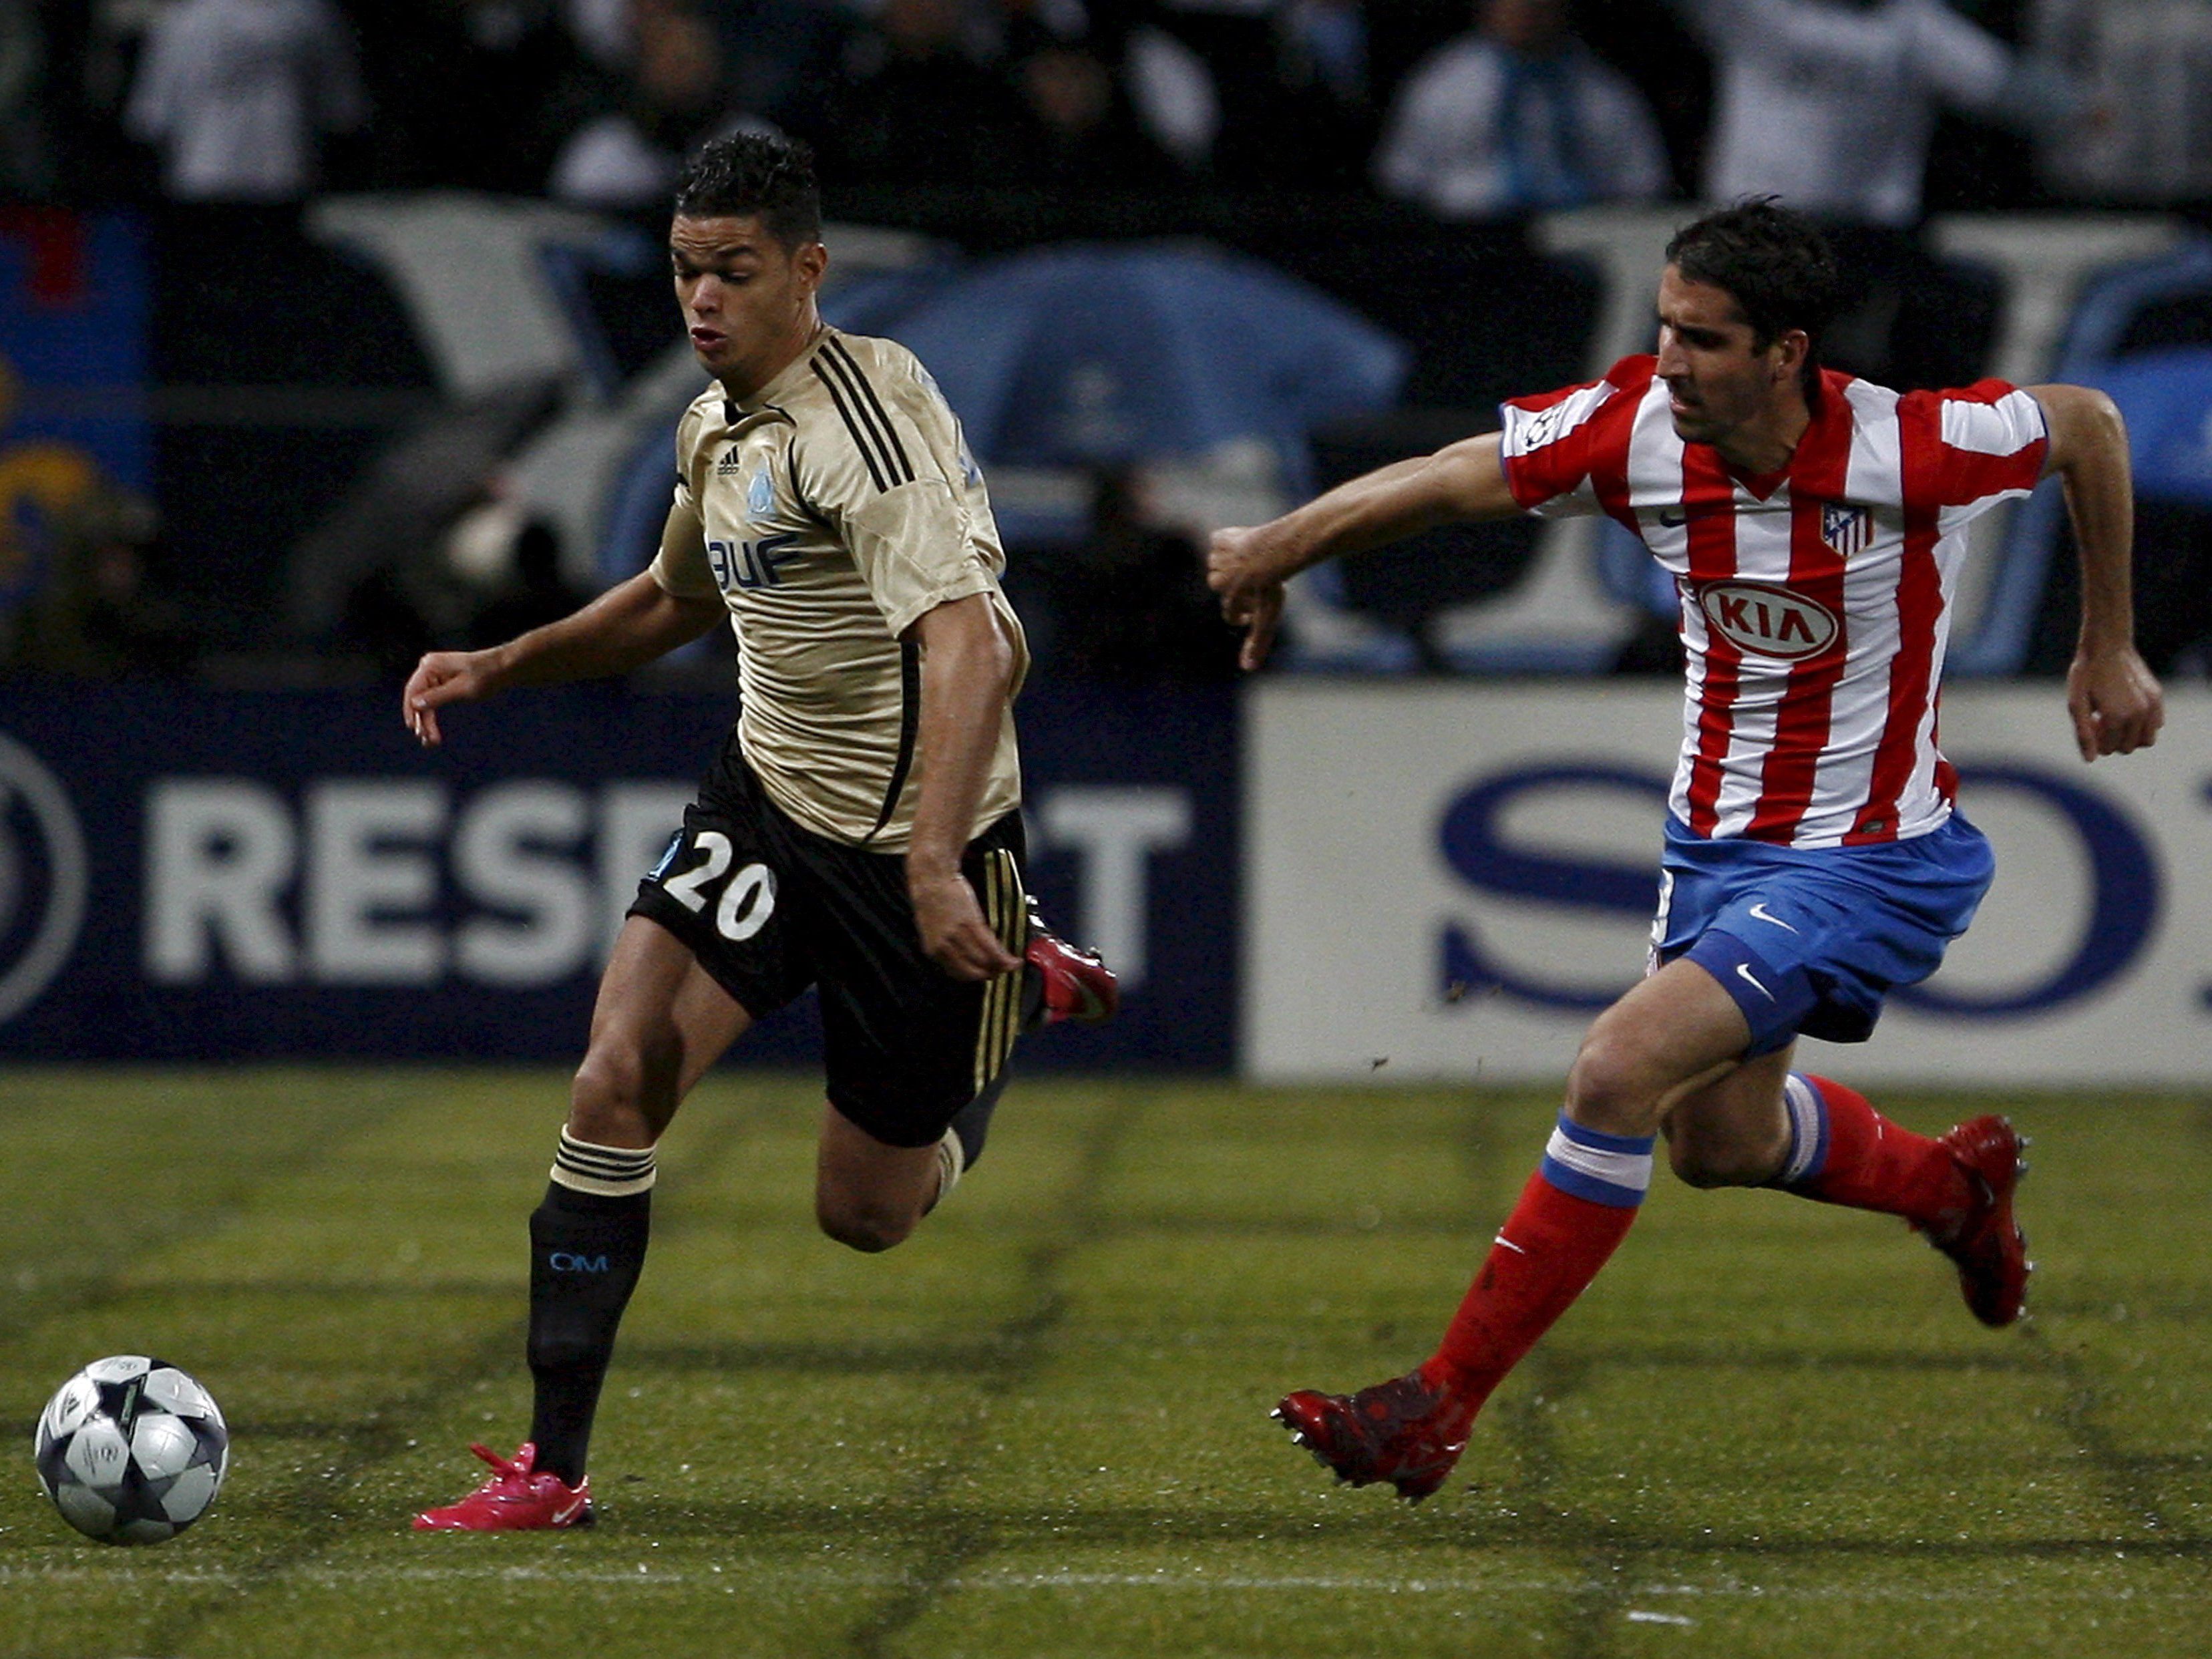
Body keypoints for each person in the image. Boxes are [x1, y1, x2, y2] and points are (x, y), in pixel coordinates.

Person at [1207, 198, 2163, 1503]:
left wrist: (2104, 641)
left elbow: (2091, 430)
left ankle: (1432, 1409)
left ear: (1788, 354)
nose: (1671, 362)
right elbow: (1449, 479)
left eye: (1705, 340)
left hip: (1868, 854)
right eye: (1664, 329)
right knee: (1719, 1142)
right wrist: (1276, 545)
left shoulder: (1904, 444)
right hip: (1715, 849)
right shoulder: (1639, 433)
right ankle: (1950, 1189)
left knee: (1615, 1067)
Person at [403, 132, 1118, 1531]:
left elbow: (971, 644)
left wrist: (929, 864)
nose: (702, 300)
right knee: (613, 1083)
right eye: (684, 271)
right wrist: (501, 664)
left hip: (919, 846)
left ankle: (1014, 981)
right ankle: (554, 1470)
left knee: (865, 1216)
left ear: (810, 272)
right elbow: (676, 600)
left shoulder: (865, 428)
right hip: (766, 806)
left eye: (733, 271)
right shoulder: (715, 424)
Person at [1374, 0, 1669, 220]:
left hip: (1579, 241)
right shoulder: (1443, 83)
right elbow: (1402, 179)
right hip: (1467, 237)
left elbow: (1642, 183)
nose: (1525, 12)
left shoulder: (1601, 90)